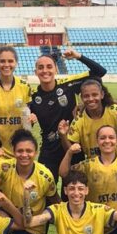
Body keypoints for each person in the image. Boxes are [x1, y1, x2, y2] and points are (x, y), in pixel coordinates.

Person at [28, 47, 107, 178]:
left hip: (74, 147)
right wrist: (29, 119)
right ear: (35, 72)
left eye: (49, 67)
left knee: (73, 192)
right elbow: (26, 126)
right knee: (46, 190)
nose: (45, 70)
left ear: (56, 69)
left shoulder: (68, 85)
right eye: (41, 68)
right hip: (49, 150)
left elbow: (100, 72)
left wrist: (78, 56)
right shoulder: (32, 97)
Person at [60, 78, 117, 160]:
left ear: (102, 94)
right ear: (81, 97)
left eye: (95, 95)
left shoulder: (114, 111)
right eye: (86, 96)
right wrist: (63, 135)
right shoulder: (79, 118)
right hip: (94, 168)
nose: (91, 99)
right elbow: (71, 150)